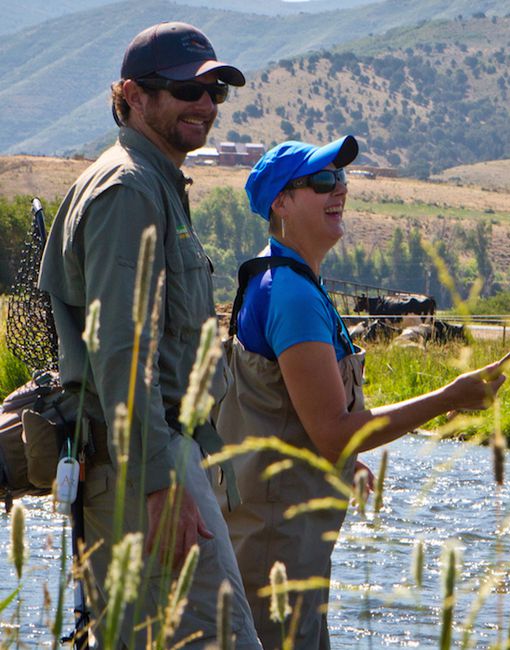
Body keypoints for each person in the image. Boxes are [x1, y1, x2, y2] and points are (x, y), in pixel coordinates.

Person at [216, 135, 508, 648]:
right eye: (324, 181)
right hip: (276, 545)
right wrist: (451, 398)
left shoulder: (282, 280)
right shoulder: (291, 294)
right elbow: (331, 433)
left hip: (273, 532)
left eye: (343, 179)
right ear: (280, 202)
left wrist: (347, 464)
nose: (341, 190)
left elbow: (289, 412)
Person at [39, 22, 261, 648]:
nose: (206, 106)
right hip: (148, 468)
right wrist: (159, 483)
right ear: (133, 96)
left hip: (157, 459)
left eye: (216, 92)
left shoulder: (153, 183)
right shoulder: (128, 189)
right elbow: (122, 351)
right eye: (185, 91)